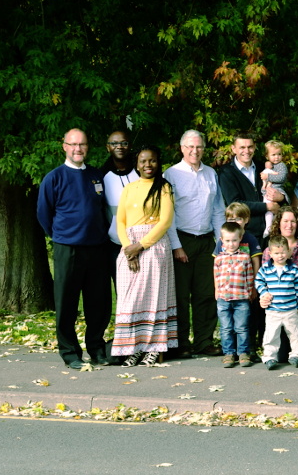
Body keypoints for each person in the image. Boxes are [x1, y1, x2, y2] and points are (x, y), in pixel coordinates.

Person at [36, 128, 112, 369]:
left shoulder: (96, 176)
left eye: (82, 144)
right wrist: (61, 236)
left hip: (97, 249)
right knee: (66, 303)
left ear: (87, 147)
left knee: (98, 303)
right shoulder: (54, 177)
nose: (78, 148)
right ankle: (70, 353)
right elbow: (43, 214)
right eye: (73, 144)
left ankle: (97, 350)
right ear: (64, 146)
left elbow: (102, 210)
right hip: (67, 249)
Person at [112, 145, 178, 367]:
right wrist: (128, 247)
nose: (147, 165)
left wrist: (140, 246)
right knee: (128, 301)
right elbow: (120, 221)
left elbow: (165, 222)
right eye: (143, 161)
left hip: (153, 247)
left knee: (153, 298)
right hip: (129, 248)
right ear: (136, 164)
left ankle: (153, 348)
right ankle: (133, 348)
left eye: (152, 161)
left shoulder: (164, 188)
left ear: (158, 163)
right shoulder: (129, 188)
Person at [165, 129, 227, 358]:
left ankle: (203, 341)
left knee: (206, 294)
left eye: (199, 146)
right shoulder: (171, 174)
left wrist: (221, 243)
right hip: (182, 239)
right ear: (182, 148)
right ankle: (181, 343)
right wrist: (176, 246)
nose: (195, 150)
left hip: (206, 241)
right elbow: (167, 214)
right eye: (190, 146)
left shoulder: (211, 173)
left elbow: (218, 209)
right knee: (181, 296)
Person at [263, 206, 298, 355]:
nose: (289, 225)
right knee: (281, 355)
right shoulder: (269, 251)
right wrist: (264, 296)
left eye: (293, 221)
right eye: (286, 221)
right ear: (279, 223)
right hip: (279, 308)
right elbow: (263, 280)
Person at [215, 202, 263, 359]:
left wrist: (254, 286)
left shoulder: (250, 239)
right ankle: (230, 352)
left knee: (244, 322)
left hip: (243, 289)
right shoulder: (223, 240)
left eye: (239, 219)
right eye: (231, 219)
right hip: (226, 291)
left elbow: (255, 263)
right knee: (227, 325)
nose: (235, 222)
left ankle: (246, 350)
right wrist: (217, 288)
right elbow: (216, 266)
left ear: (246, 220)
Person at [218, 132, 285, 243]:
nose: (247, 151)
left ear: (254, 147)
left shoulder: (262, 167)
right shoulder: (226, 172)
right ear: (234, 149)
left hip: (270, 234)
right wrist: (266, 207)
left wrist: (281, 198)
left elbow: (278, 188)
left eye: (250, 147)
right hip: (243, 235)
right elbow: (235, 203)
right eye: (242, 147)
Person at [256, 235, 298, 370]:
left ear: (289, 252)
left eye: (283, 252)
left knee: (295, 333)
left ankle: (297, 355)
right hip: (273, 310)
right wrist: (263, 292)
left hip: (290, 310)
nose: (280, 256)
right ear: (270, 253)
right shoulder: (266, 269)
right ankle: (269, 357)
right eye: (276, 253)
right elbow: (258, 281)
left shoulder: (293, 269)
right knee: (271, 334)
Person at [100, 130, 138, 286]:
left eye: (124, 143)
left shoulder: (142, 170)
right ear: (108, 147)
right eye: (114, 143)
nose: (119, 147)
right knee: (122, 290)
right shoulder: (101, 175)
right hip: (114, 243)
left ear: (129, 146)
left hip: (143, 242)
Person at [213, 222, 254, 368]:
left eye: (234, 240)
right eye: (228, 241)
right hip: (223, 299)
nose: (231, 244)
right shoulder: (218, 258)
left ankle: (243, 353)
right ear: (222, 240)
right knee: (226, 328)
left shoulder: (244, 257)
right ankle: (228, 354)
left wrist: (250, 291)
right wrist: (217, 290)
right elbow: (216, 275)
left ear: (240, 238)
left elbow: (249, 276)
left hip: (241, 298)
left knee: (241, 327)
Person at [260, 140, 288, 238]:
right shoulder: (268, 166)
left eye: (279, 154)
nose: (277, 157)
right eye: (273, 154)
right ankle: (269, 227)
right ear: (267, 156)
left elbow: (281, 178)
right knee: (268, 209)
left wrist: (268, 176)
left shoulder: (281, 166)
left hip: (278, 190)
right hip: (268, 191)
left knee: (276, 211)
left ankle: (273, 227)